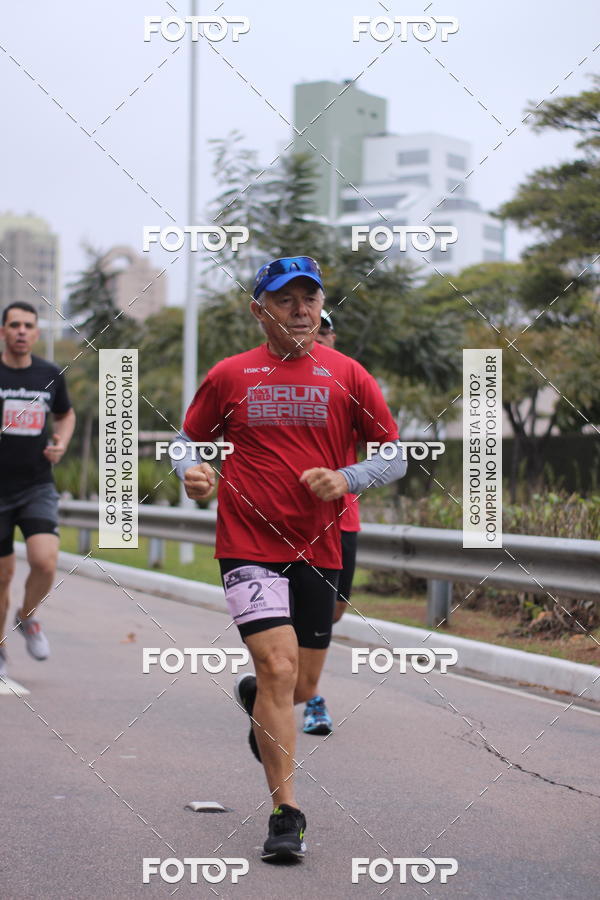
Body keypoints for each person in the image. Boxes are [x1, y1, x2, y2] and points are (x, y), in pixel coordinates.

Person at [177, 257, 405, 862]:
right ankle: (287, 813)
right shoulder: (231, 374)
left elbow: (395, 455)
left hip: (319, 545)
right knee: (279, 667)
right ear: (260, 310)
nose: (302, 310)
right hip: (248, 544)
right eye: (286, 299)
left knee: (300, 685)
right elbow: (186, 440)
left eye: (311, 298)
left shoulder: (348, 374)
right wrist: (191, 471)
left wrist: (348, 477)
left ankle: (259, 699)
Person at [0, 302, 75, 680]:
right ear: (3, 331)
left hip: (36, 485)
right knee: (2, 577)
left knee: (45, 561)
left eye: (28, 325)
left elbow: (65, 414)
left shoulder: (49, 374)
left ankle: (27, 617)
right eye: (14, 324)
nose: (21, 331)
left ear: (36, 333)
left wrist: (61, 442)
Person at [302, 311, 361, 736]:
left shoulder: (349, 381)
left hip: (343, 517)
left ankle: (286, 681)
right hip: (291, 520)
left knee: (333, 612)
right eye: (312, 329)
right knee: (293, 616)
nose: (318, 336)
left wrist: (347, 477)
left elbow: (388, 447)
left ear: (333, 337)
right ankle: (310, 697)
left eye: (324, 330)